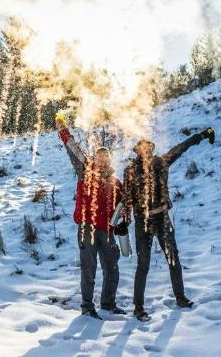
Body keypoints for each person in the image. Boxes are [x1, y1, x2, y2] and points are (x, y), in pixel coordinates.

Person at [123, 127, 215, 322]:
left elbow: (181, 148)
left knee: (173, 258)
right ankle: (138, 308)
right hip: (142, 221)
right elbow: (127, 199)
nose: (145, 150)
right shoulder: (130, 171)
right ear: (137, 151)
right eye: (142, 148)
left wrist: (201, 136)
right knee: (143, 264)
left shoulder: (160, 162)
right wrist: (124, 221)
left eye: (148, 147)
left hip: (162, 218)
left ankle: (180, 298)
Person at [56, 114, 127, 319]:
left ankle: (108, 304)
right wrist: (63, 129)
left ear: (110, 159)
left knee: (112, 269)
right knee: (89, 269)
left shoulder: (116, 182)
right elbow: (73, 148)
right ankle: (87, 307)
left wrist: (124, 212)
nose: (103, 158)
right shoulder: (86, 170)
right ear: (95, 158)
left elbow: (124, 205)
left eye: (106, 156)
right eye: (99, 155)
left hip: (108, 229)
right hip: (88, 228)